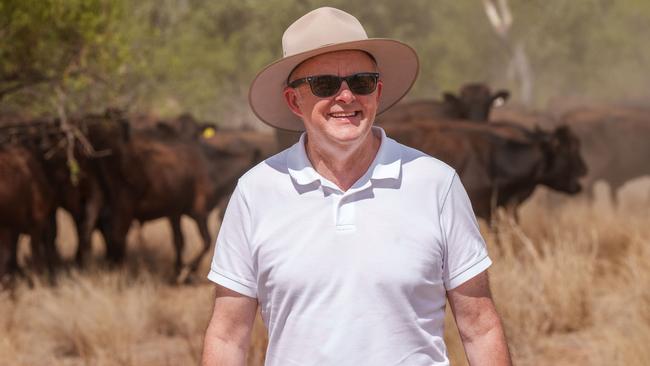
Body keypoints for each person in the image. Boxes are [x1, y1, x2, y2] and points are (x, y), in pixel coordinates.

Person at [202, 7, 511, 366]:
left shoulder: (436, 183)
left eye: (361, 82)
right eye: (325, 85)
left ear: (377, 92)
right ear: (293, 100)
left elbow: (480, 327)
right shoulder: (255, 192)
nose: (346, 96)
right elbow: (228, 336)